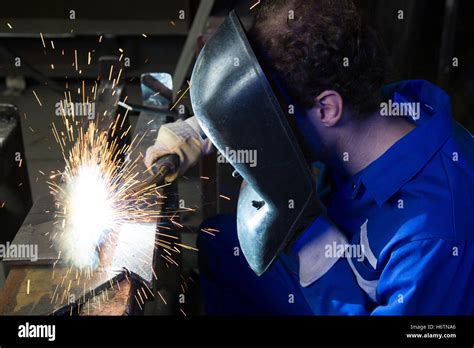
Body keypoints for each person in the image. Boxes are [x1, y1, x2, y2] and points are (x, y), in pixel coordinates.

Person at [145, 0, 474, 315]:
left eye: (272, 110)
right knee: (221, 245)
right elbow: (276, 92)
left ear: (327, 109)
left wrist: (313, 249)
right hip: (336, 250)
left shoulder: (434, 235)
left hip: (354, 298)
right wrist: (208, 125)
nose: (267, 117)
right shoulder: (376, 111)